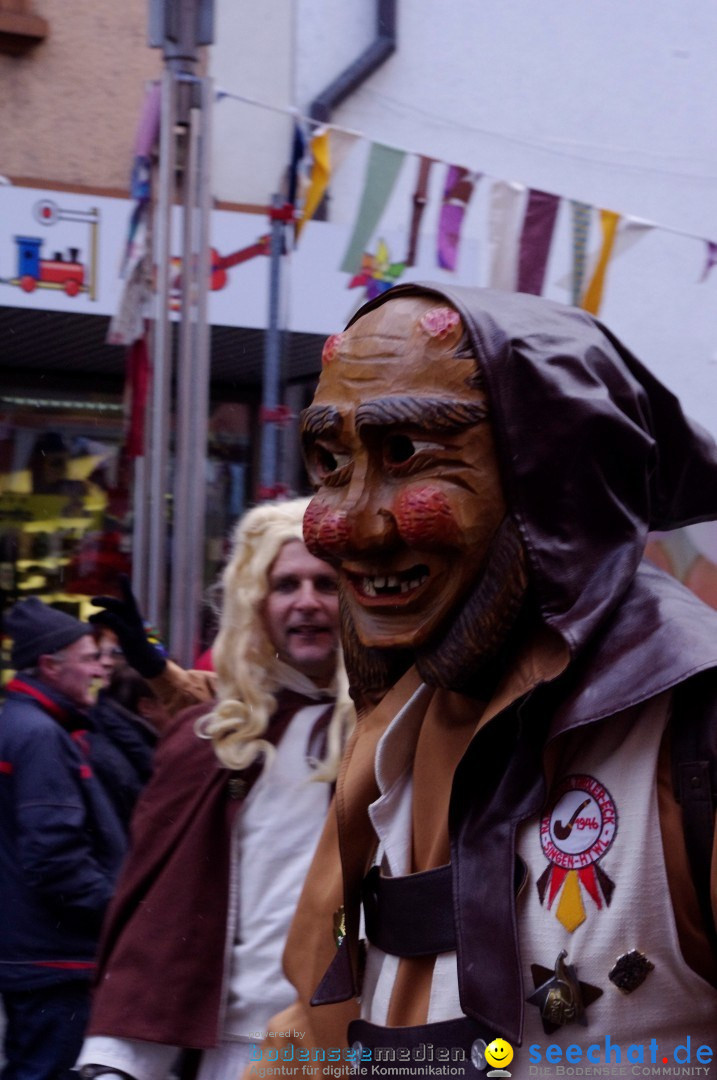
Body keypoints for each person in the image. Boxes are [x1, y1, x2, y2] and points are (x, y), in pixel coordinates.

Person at [256, 285, 717, 1076]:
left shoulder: (692, 727)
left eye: (406, 454)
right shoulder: (392, 736)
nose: (347, 524)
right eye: (330, 462)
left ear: (554, 480)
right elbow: (318, 1027)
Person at [76, 497, 355, 1080]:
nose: (306, 601)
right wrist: (117, 1060)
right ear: (257, 603)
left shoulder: (401, 733)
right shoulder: (211, 742)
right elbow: (161, 914)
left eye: (325, 583)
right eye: (285, 585)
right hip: (237, 1046)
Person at [0, 597, 127, 1080]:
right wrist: (117, 910)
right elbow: (55, 858)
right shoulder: (39, 735)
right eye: (88, 658)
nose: (99, 669)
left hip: (40, 953)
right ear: (50, 666)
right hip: (54, 959)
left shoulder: (27, 724)